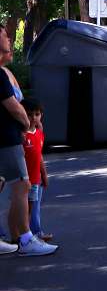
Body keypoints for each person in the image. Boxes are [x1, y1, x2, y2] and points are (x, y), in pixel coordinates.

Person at [0, 30, 55, 256]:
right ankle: (24, 238)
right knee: (22, 185)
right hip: (7, 139)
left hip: (8, 138)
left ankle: (15, 237)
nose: (10, 39)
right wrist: (26, 124)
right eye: (4, 35)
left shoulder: (4, 72)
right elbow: (14, 106)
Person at [22, 98, 50, 243]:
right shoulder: (21, 135)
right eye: (29, 114)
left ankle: (37, 232)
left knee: (35, 208)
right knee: (27, 209)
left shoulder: (39, 132)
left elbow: (39, 155)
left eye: (37, 114)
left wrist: (43, 174)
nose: (33, 118)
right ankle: (26, 236)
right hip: (25, 180)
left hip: (36, 178)